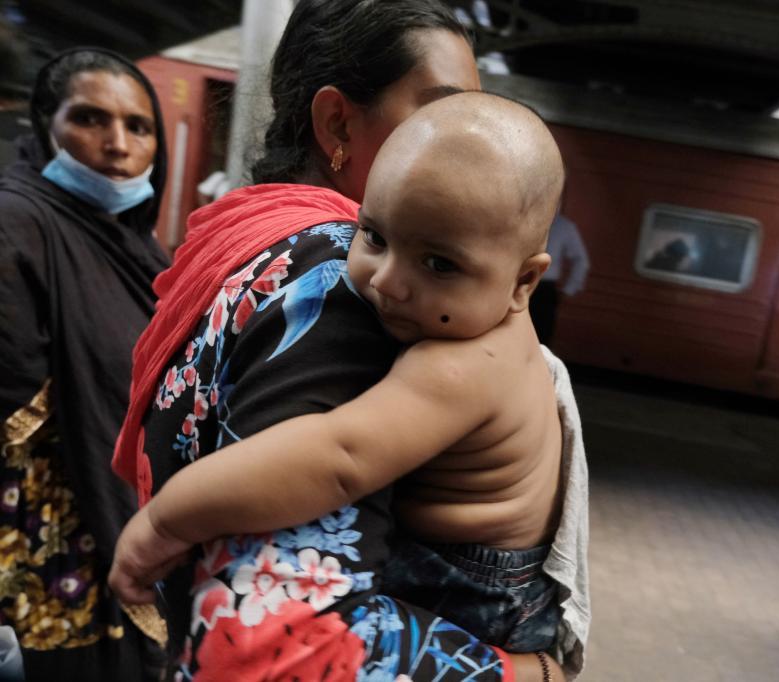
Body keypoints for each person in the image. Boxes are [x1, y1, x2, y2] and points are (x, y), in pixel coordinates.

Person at [108, 2, 579, 680]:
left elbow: (336, 456)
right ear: (335, 124)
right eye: (433, 114)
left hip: (478, 591)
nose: (387, 281)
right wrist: (535, 676)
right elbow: (275, 647)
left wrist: (165, 521)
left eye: (438, 263)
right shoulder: (335, 276)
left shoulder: (251, 242)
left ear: (523, 282)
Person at [0, 48, 169, 680]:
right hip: (49, 560)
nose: (118, 144)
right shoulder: (16, 224)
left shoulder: (134, 243)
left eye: (138, 126)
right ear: (47, 125)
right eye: (90, 119)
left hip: (120, 537)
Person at [528, 212, 589, 345]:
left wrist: (569, 290)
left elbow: (580, 260)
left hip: (544, 290)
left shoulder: (564, 226)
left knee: (540, 337)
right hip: (518, 283)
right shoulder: (523, 218)